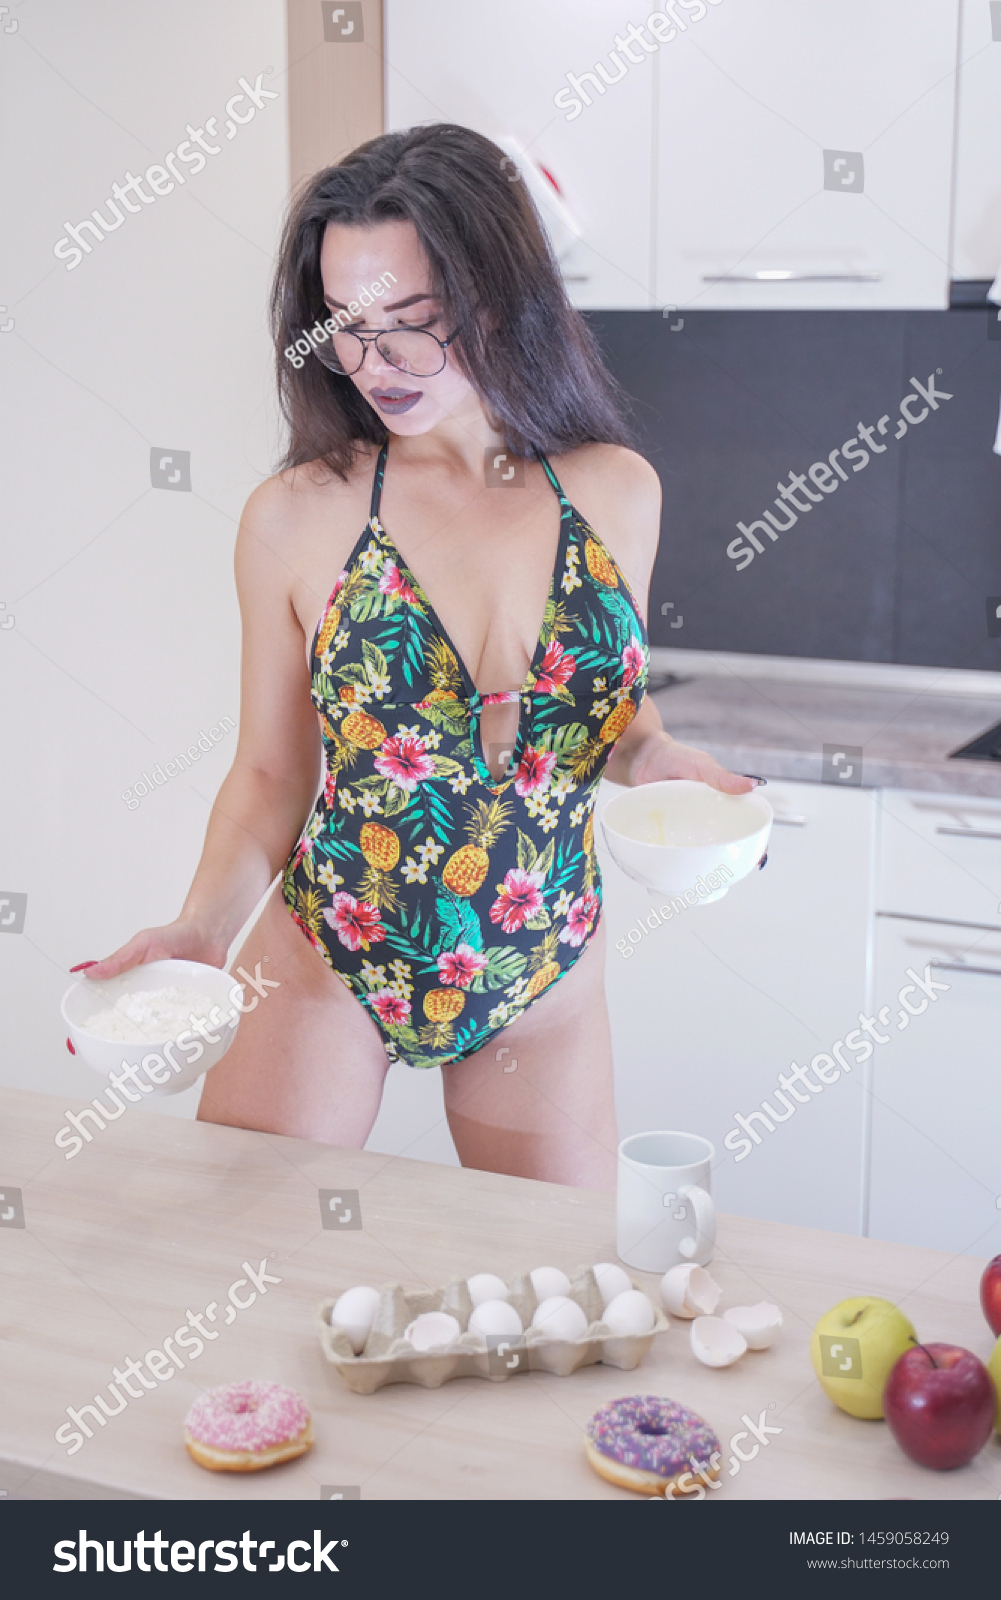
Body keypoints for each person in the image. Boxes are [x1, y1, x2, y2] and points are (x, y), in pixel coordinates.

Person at [77, 124, 756, 1190]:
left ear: (495, 299)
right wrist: (203, 927)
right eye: (343, 325)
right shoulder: (296, 516)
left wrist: (658, 757)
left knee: (559, 1305)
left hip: (541, 961)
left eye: (411, 322)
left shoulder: (616, 491)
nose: (371, 361)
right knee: (234, 1261)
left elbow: (605, 713)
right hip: (331, 952)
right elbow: (269, 772)